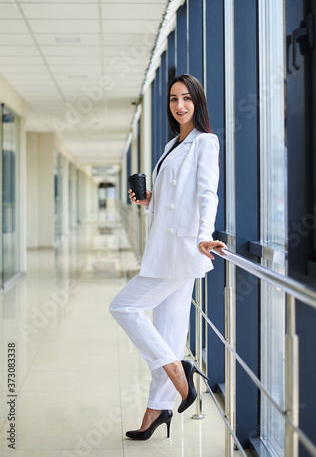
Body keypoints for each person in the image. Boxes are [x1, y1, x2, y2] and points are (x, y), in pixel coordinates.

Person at [109, 74, 227, 440]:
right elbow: (169, 200)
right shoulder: (169, 145)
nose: (179, 105)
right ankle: (156, 410)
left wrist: (206, 235)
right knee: (169, 332)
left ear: (198, 103)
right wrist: (148, 201)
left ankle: (178, 370)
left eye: (187, 98)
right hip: (164, 246)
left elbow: (208, 194)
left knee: (123, 307)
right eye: (174, 99)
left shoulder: (206, 142)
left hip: (183, 249)